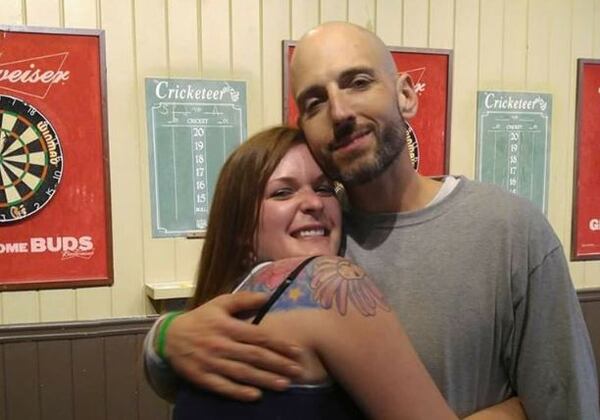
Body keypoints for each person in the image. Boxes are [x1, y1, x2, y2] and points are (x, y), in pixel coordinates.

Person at [144, 21, 599, 418]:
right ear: (305, 125)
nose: (340, 112)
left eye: (358, 82)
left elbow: (567, 405)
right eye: (315, 102)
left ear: (405, 94)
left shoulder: (509, 229)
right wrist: (164, 339)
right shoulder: (314, 241)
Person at [165, 125, 459, 419]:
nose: (314, 203)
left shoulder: (221, 312)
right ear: (241, 226)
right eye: (282, 192)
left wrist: (161, 336)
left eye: (323, 188)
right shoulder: (326, 280)